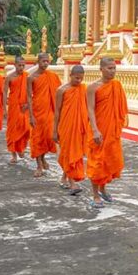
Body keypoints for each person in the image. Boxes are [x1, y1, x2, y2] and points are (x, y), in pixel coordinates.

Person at [86, 56, 128, 209]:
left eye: (114, 68)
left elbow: (121, 109)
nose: (113, 71)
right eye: (109, 68)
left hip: (112, 131)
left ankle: (103, 189)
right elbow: (90, 109)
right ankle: (95, 195)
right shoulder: (93, 87)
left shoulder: (117, 85)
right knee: (97, 161)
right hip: (99, 130)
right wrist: (95, 130)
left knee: (110, 161)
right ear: (101, 69)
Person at [53, 65, 90, 196]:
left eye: (81, 78)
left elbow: (87, 107)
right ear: (70, 75)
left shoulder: (84, 89)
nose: (78, 81)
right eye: (76, 78)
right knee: (69, 153)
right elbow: (57, 111)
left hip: (80, 126)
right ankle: (73, 183)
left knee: (73, 153)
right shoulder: (62, 90)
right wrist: (54, 130)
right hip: (66, 126)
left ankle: (64, 177)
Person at [27, 52, 60, 178]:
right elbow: (29, 97)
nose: (46, 63)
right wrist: (30, 115)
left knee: (47, 137)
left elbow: (58, 93)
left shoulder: (53, 76)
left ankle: (43, 158)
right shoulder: (31, 78)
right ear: (38, 61)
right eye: (43, 61)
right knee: (37, 138)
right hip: (37, 111)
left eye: (47, 61)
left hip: (49, 111)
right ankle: (39, 165)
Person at [3, 54, 31, 164]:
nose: (21, 68)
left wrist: (29, 104)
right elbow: (5, 92)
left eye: (23, 65)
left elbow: (31, 91)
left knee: (26, 129)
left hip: (25, 106)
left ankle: (21, 148)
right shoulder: (9, 78)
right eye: (19, 65)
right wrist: (4, 108)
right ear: (15, 65)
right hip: (14, 106)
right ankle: (13, 154)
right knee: (13, 130)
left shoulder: (27, 76)